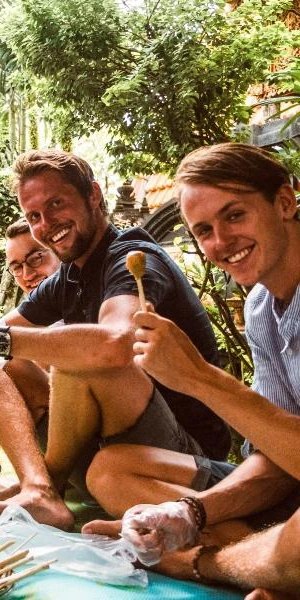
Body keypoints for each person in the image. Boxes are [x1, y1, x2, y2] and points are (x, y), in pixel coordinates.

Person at [0, 149, 230, 530]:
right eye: (33, 216)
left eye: (56, 204)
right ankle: (40, 488)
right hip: (109, 449)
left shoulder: (133, 257)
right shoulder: (66, 279)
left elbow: (116, 342)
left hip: (181, 459)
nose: (46, 223)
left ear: (93, 196)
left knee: (81, 354)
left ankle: (44, 484)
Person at [82, 143, 300, 599]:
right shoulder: (261, 306)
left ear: (284, 202)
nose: (221, 242)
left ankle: (207, 563)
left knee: (294, 549)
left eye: (235, 216)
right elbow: (280, 459)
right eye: (204, 231)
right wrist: (187, 513)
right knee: (110, 469)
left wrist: (198, 378)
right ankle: (252, 555)